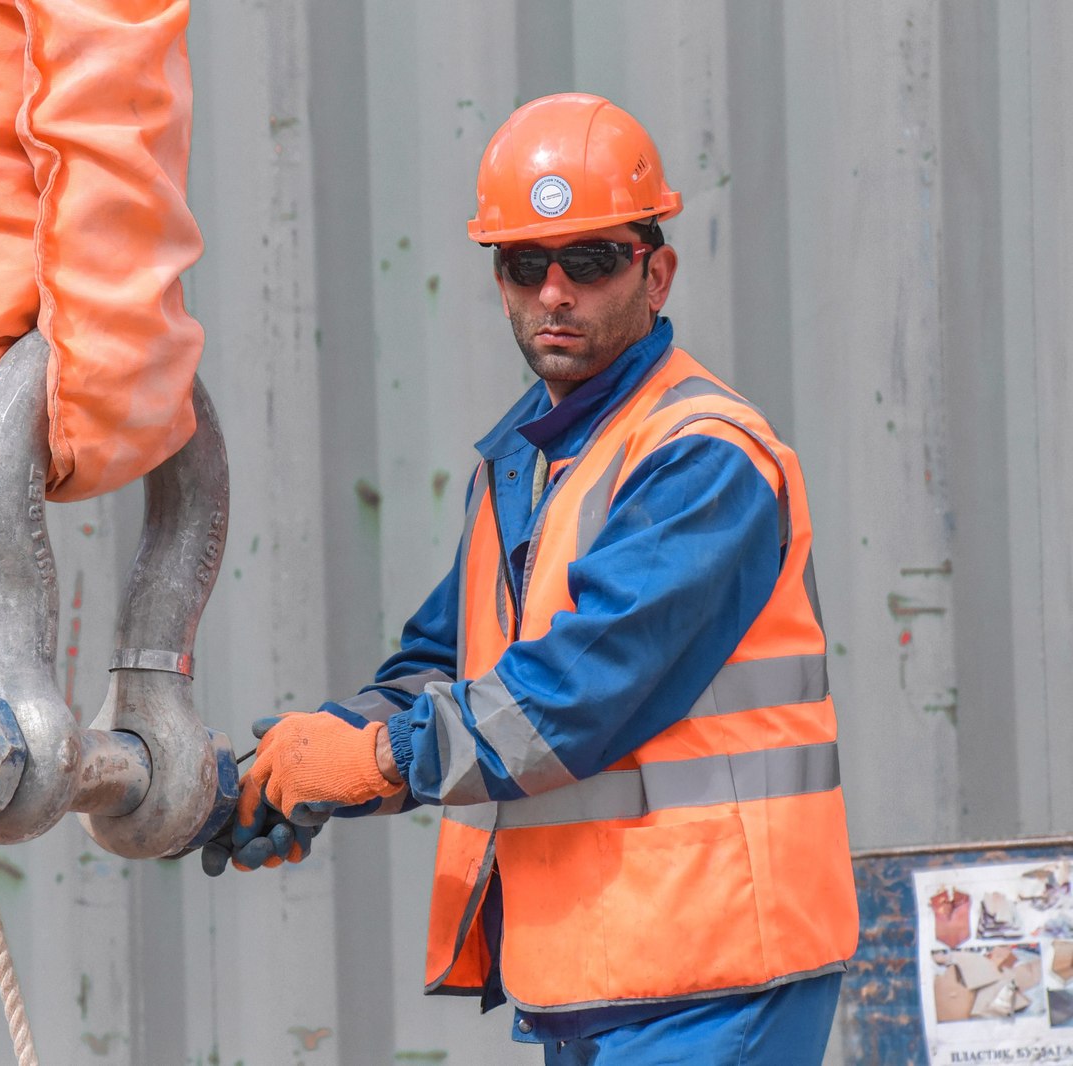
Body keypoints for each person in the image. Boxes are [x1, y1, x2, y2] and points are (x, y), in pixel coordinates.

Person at [205, 93, 859, 1065]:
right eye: (525, 263)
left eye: (589, 261)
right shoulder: (526, 459)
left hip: (715, 974)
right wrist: (294, 774)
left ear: (655, 270)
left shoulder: (703, 457)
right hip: (595, 977)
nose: (555, 292)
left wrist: (372, 760)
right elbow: (443, 668)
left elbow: (565, 700)